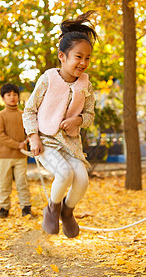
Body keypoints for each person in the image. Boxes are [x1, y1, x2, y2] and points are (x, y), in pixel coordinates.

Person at [22, 11, 97, 238]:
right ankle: (52, 209)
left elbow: (90, 115)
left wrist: (78, 120)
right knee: (64, 174)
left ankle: (67, 211)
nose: (83, 62)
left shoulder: (86, 84)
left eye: (87, 58)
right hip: (46, 140)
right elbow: (29, 110)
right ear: (62, 57)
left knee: (82, 180)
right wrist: (33, 136)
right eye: (78, 57)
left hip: (71, 142)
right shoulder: (48, 79)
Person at [0, 83, 32, 218]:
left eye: (15, 94)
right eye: (8, 95)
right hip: (5, 156)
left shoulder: (23, 114)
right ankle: (4, 207)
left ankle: (26, 207)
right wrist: (17, 145)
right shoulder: (1, 115)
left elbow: (29, 131)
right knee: (4, 182)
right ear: (3, 98)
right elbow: (0, 134)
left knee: (22, 181)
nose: (12, 97)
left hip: (21, 156)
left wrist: (28, 140)